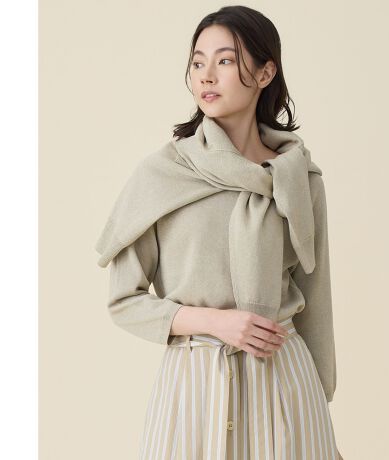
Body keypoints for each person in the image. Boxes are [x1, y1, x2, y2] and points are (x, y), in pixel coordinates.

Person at [95, 5, 344, 460]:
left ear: (265, 72)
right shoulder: (163, 175)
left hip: (285, 384)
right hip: (193, 387)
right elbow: (123, 301)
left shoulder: (299, 180)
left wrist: (320, 419)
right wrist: (216, 322)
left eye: (225, 60)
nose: (206, 75)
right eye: (197, 62)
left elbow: (316, 303)